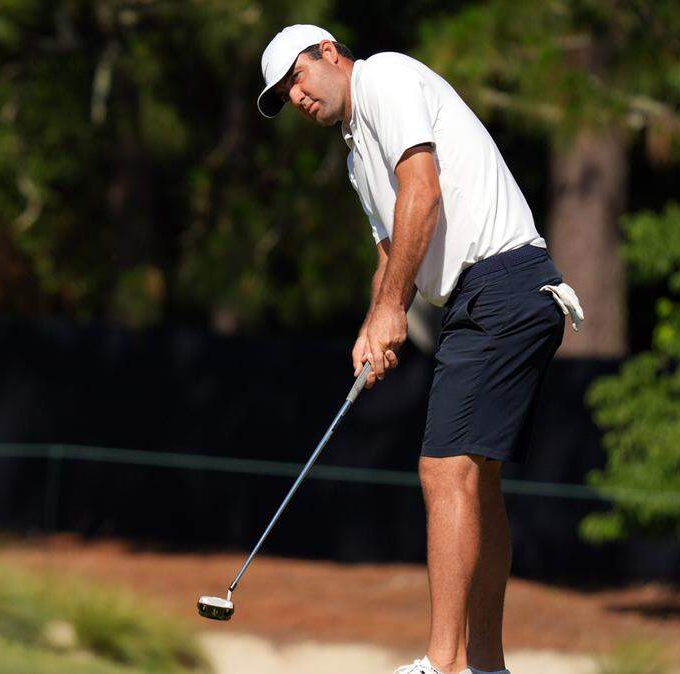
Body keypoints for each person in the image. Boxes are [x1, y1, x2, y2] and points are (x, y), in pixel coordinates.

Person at [256, 24, 584, 674]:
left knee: (444, 472)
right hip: (485, 299)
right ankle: (484, 666)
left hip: (502, 282)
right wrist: (374, 320)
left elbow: (423, 191)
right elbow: (392, 249)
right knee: (475, 482)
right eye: (283, 93)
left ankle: (445, 663)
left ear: (328, 53)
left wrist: (391, 309)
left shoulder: (386, 78)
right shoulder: (355, 155)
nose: (295, 96)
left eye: (296, 76)